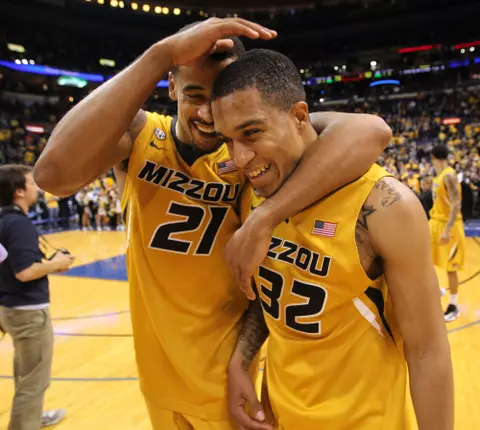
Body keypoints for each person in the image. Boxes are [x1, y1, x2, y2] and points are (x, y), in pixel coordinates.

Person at [34, 19, 391, 429]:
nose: (205, 113)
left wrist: (264, 218)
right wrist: (160, 55)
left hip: (225, 381)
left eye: (216, 97)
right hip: (157, 379)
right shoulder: (139, 135)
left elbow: (370, 130)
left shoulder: (251, 152)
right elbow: (52, 176)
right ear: (170, 87)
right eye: (193, 95)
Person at [211, 49, 454, 430]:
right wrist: (242, 359)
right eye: (227, 139)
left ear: (300, 117)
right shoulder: (254, 192)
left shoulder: (383, 205)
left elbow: (427, 351)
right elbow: (277, 294)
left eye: (252, 132)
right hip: (278, 418)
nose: (239, 157)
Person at [0, 164, 75, 429]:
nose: (36, 188)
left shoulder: (3, 220)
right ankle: (25, 424)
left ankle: (31, 416)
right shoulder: (18, 225)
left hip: (9, 307)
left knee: (25, 372)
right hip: (27, 311)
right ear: (19, 192)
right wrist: (57, 263)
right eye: (31, 184)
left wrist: (49, 261)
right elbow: (25, 272)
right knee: (34, 380)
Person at [430, 144, 466, 321]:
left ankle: (454, 306)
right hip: (435, 222)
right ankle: (437, 290)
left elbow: (456, 204)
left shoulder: (449, 175)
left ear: (433, 158)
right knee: (425, 259)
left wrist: (447, 229)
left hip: (448, 227)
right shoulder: (440, 175)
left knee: (451, 268)